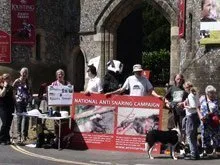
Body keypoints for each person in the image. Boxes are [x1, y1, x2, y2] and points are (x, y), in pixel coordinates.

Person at [198, 85, 220, 158]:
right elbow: (197, 107)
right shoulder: (202, 99)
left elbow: (218, 111)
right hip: (205, 120)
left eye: (214, 93)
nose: (213, 94)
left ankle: (214, 151)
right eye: (212, 93)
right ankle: (204, 151)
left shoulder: (216, 100)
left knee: (215, 136)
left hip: (213, 120)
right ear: (207, 93)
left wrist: (216, 115)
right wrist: (200, 116)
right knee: (204, 135)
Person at [13, 67, 32, 143]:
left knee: (27, 119)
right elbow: (13, 92)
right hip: (19, 103)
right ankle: (19, 136)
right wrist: (15, 100)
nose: (24, 74)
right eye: (23, 72)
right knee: (19, 119)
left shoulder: (28, 82)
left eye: (26, 73)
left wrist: (30, 99)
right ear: (20, 73)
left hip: (26, 103)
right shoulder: (17, 81)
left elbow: (30, 92)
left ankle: (25, 135)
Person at [182, 82, 200, 160]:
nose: (185, 89)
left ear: (187, 88)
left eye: (185, 88)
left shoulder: (190, 95)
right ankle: (196, 153)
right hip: (195, 115)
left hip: (191, 116)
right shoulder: (195, 94)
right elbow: (198, 104)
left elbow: (193, 106)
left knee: (189, 136)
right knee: (194, 136)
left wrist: (185, 106)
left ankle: (193, 154)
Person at [0, 74, 15, 145]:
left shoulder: (11, 87)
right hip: (3, 107)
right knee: (5, 123)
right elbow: (2, 95)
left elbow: (13, 97)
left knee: (8, 124)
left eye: (8, 78)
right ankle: (2, 138)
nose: (7, 79)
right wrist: (5, 86)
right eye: (6, 78)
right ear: (3, 79)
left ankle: (7, 138)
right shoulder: (1, 86)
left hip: (11, 106)